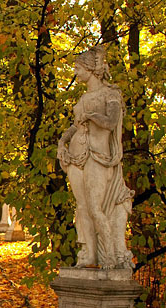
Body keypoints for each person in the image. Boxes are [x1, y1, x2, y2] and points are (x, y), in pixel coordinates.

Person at [57, 45, 134, 269]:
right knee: (82, 208)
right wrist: (63, 141)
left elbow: (110, 122)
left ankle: (110, 256)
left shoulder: (111, 94)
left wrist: (92, 115)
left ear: (90, 69)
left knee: (95, 207)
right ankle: (89, 255)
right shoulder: (83, 98)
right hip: (76, 155)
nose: (75, 72)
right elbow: (74, 126)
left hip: (99, 156)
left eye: (78, 68)